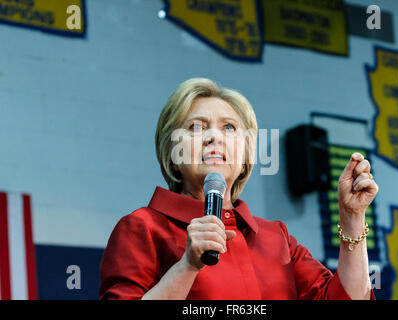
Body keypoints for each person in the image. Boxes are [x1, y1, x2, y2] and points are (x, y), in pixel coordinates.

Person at [99, 78, 378, 300]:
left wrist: (352, 218)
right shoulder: (143, 227)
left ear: (245, 157)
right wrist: (187, 267)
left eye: (229, 128)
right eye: (196, 127)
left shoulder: (277, 238)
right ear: (172, 153)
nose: (213, 137)